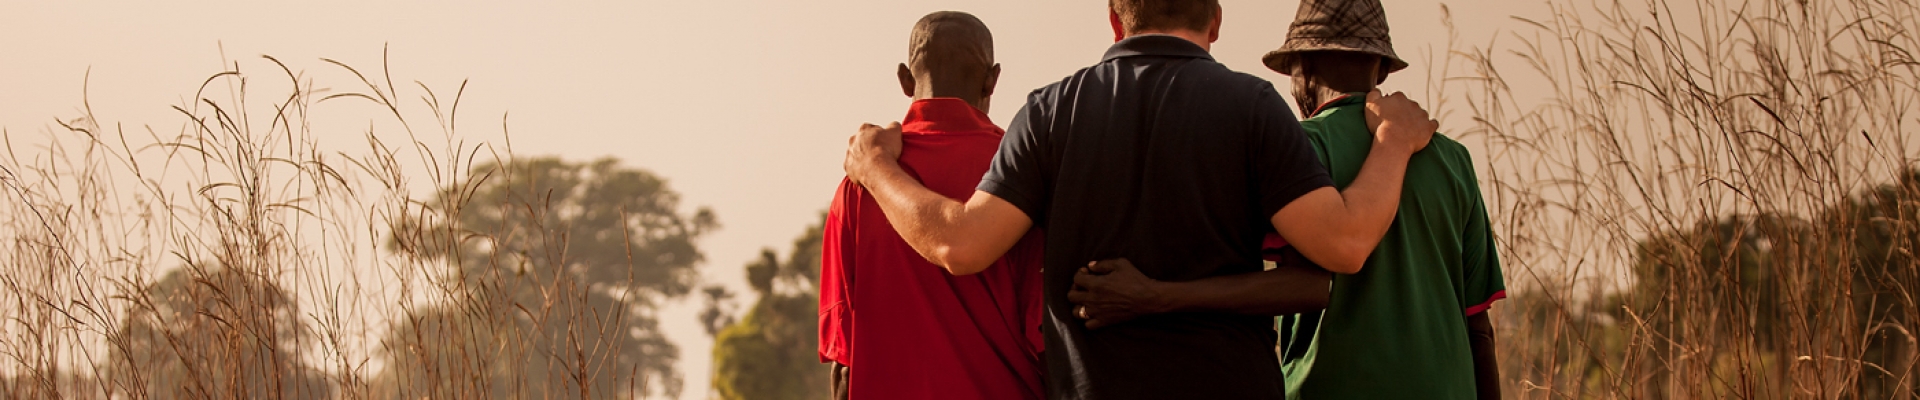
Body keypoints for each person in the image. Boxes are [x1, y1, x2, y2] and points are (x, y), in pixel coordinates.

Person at [839, 0, 1440, 397]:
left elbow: (960, 244)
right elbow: (1344, 244)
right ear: (1216, 21)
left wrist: (876, 169)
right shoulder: (1252, 107)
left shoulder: (1051, 111)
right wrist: (1392, 143)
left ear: (1114, 20)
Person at [1069, 1, 1508, 398]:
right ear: (1382, 71)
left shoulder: (1295, 150)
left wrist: (1152, 296)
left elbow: (1286, 287)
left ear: (1301, 69)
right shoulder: (1452, 160)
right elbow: (1478, 328)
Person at [817, 11, 1046, 400]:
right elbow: (1045, 335)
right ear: (992, 79)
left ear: (906, 80)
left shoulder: (857, 186)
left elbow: (843, 359)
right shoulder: (1024, 173)